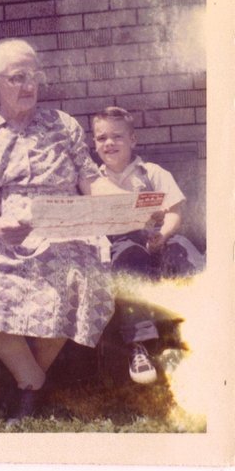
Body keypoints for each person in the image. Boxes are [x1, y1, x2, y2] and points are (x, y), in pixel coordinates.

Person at [0, 38, 121, 425]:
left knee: (81, 269)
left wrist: (126, 203)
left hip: (66, 224)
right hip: (10, 229)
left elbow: (91, 180)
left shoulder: (62, 124)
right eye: (17, 77)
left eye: (34, 76)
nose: (29, 85)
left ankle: (29, 386)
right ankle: (31, 376)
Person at [92, 106, 205, 384]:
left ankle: (202, 332)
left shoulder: (152, 172)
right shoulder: (94, 181)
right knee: (128, 260)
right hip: (122, 243)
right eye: (101, 138)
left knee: (186, 254)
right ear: (94, 144)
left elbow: (175, 212)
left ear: (133, 140)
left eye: (117, 137)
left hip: (158, 237)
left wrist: (163, 235)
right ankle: (139, 344)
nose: (109, 143)